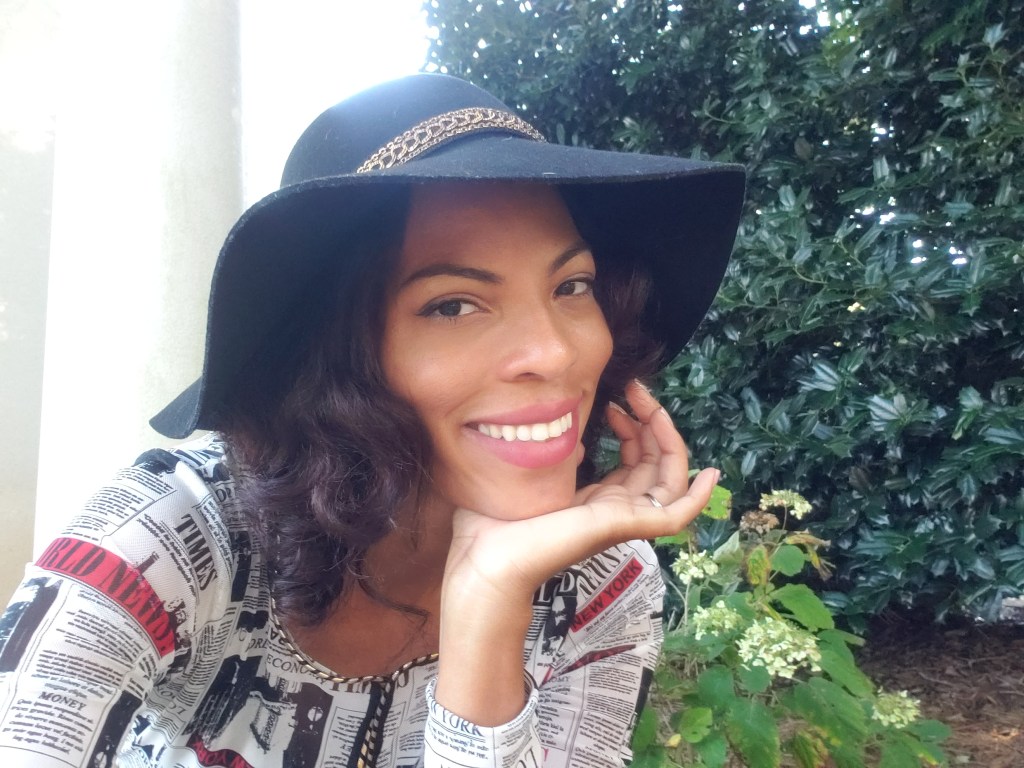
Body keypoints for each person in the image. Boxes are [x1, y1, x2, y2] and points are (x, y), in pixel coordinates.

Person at [0, 74, 744, 767]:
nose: (553, 352)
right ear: (337, 357)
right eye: (454, 305)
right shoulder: (173, 539)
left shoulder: (604, 584)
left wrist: (488, 604)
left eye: (572, 286)